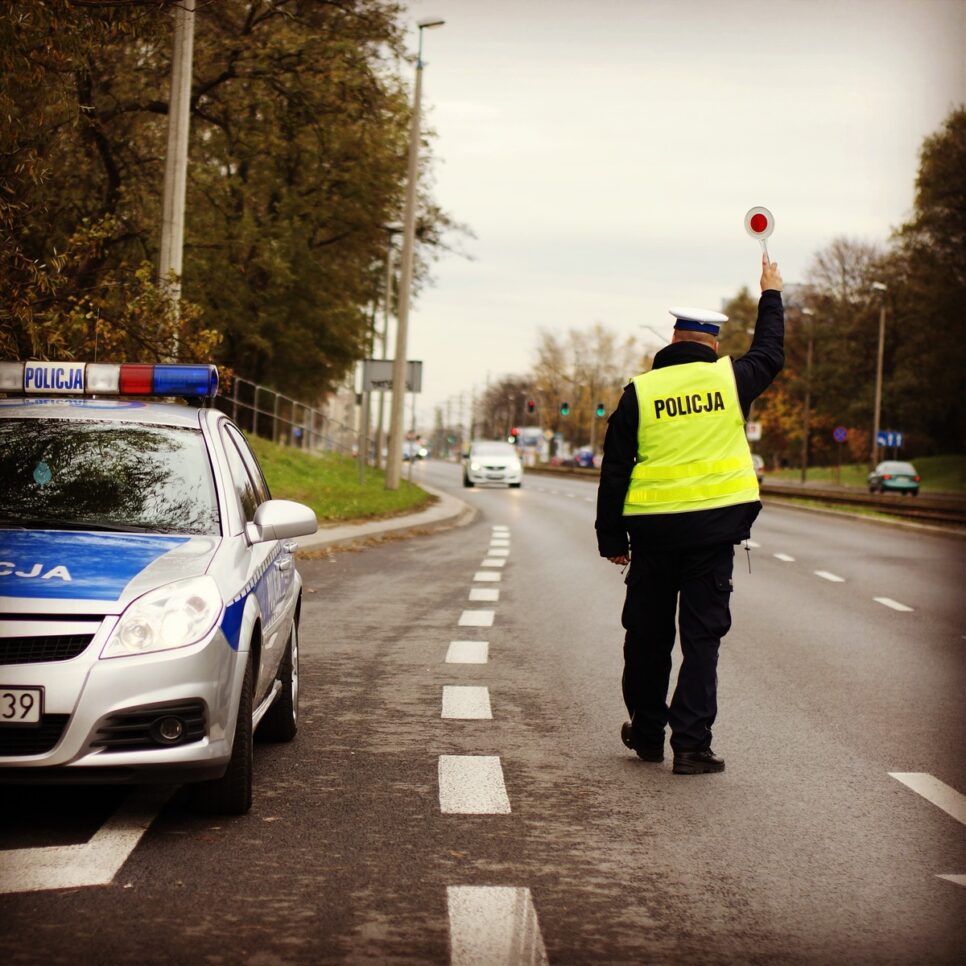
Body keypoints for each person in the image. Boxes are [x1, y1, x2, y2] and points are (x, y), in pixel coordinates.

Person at [595, 253, 784, 774]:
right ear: (714, 345)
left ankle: (649, 732)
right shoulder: (731, 381)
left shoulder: (641, 391)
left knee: (647, 637)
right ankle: (692, 746)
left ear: (673, 339)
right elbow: (770, 352)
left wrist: (612, 537)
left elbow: (615, 469)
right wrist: (771, 293)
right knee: (701, 640)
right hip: (711, 536)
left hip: (653, 538)